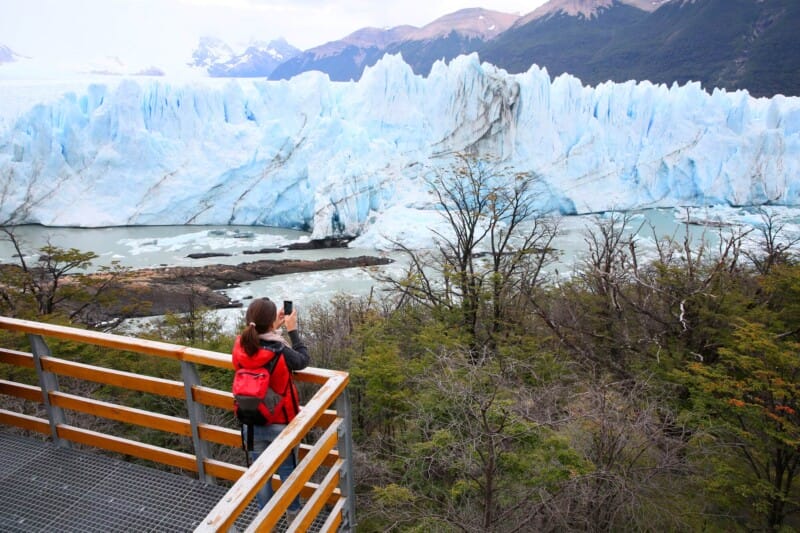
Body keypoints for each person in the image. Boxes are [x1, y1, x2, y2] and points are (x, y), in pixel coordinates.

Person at [231, 297, 309, 513]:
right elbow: (302, 360)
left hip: (251, 420)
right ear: (269, 322)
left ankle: (265, 520)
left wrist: (272, 325)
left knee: (260, 474)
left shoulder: (240, 346)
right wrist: (292, 330)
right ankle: (293, 516)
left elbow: (259, 342)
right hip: (280, 422)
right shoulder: (279, 349)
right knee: (287, 472)